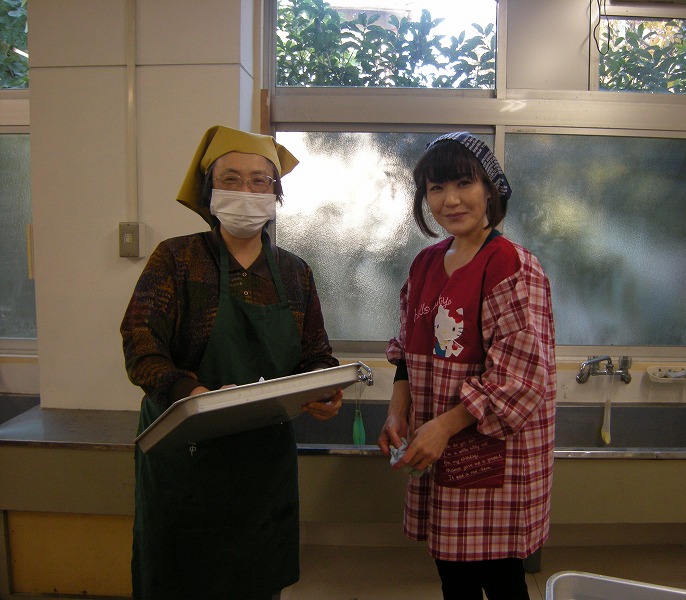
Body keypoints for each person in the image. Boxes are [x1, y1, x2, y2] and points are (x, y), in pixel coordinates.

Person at [120, 125, 342, 600]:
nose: (246, 190)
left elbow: (316, 355)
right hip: (185, 458)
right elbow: (141, 344)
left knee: (255, 581)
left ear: (276, 193)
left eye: (260, 180)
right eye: (231, 179)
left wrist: (322, 388)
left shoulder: (294, 272)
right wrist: (194, 398)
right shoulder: (176, 260)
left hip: (262, 463)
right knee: (181, 581)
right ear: (210, 191)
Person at [378, 132, 557, 600]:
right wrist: (397, 411)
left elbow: (520, 379)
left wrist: (443, 426)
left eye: (463, 183)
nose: (450, 200)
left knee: (500, 579)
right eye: (436, 188)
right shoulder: (424, 264)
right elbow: (407, 349)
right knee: (452, 574)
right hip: (439, 445)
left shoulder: (511, 266)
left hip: (492, 454)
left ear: (490, 190)